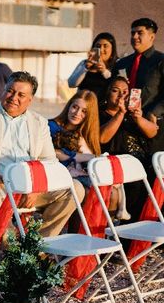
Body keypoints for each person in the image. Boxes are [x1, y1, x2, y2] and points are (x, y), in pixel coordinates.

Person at [0, 71, 84, 237]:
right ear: (3, 90)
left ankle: (36, 246)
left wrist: (37, 186)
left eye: (21, 94)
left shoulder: (39, 122)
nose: (13, 97)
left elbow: (49, 161)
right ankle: (14, 251)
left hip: (31, 188)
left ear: (30, 100)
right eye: (10, 91)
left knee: (76, 189)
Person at [99, 76, 158, 223]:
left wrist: (138, 118)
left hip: (144, 162)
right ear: (107, 93)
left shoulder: (133, 115)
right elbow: (102, 138)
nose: (121, 96)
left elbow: (153, 132)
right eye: (116, 91)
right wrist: (120, 113)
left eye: (125, 92)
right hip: (120, 165)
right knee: (136, 184)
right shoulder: (101, 113)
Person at [113, 18, 164, 154]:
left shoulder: (161, 61)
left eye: (139, 33)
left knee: (152, 168)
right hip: (124, 125)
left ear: (151, 36)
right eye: (132, 33)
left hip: (152, 125)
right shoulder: (122, 63)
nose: (134, 37)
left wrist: (154, 112)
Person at [48, 90, 101, 187]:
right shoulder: (51, 126)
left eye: (84, 111)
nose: (77, 113)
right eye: (75, 107)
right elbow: (47, 151)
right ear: (69, 106)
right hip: (56, 178)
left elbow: (94, 162)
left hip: (80, 178)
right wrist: (78, 156)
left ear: (90, 115)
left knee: (112, 192)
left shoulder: (85, 136)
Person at [67, 32, 118, 106]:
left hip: (104, 108)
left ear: (112, 49)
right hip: (83, 106)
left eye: (105, 46)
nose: (101, 49)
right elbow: (71, 84)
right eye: (98, 46)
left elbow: (116, 85)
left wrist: (104, 71)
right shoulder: (84, 63)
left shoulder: (117, 65)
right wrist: (85, 68)